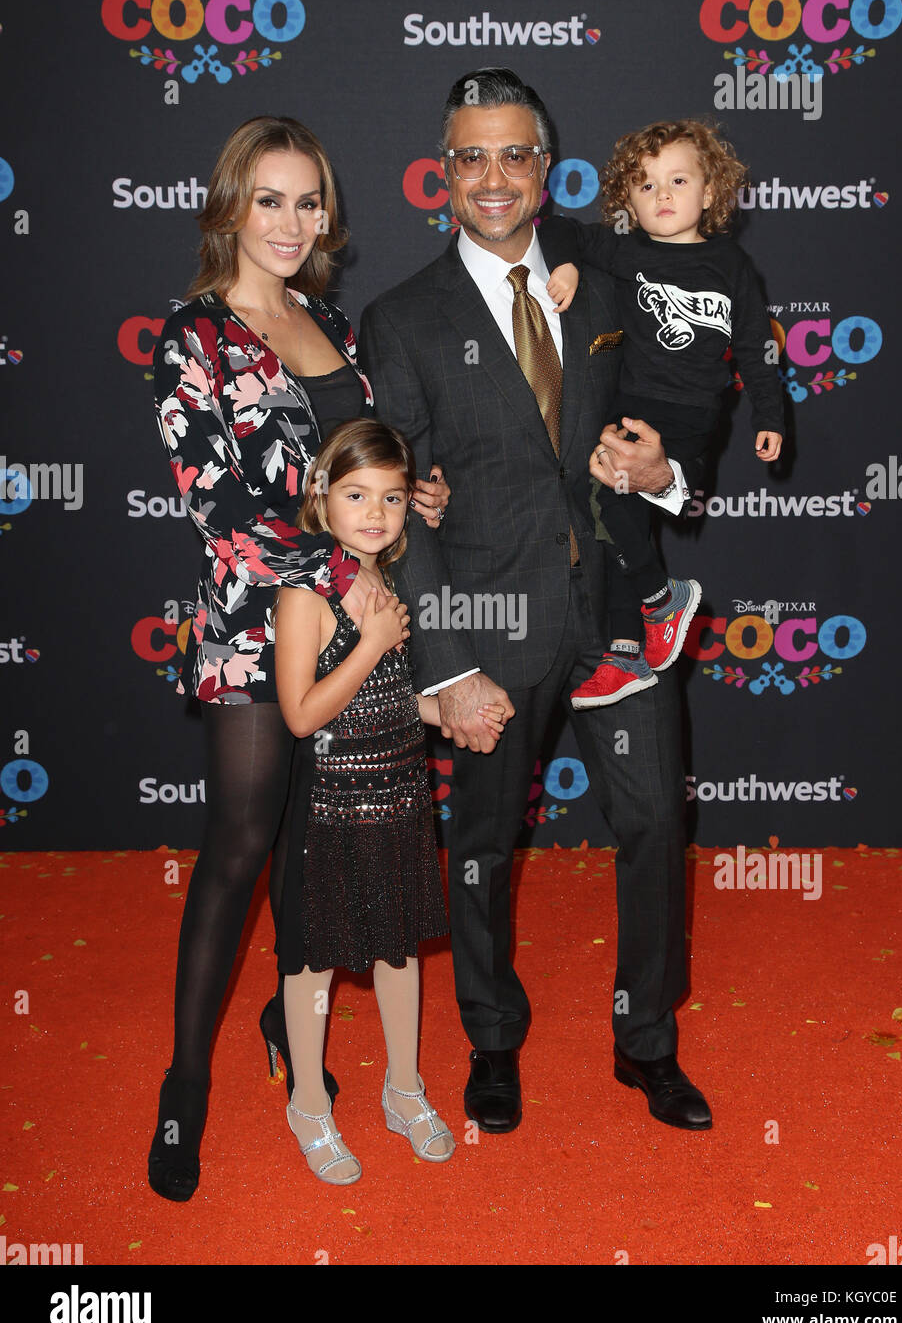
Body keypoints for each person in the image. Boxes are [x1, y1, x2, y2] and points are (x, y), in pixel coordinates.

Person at [359, 69, 711, 1136]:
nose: (495, 177)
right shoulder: (402, 316)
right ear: (444, 171)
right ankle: (491, 1038)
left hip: (614, 611)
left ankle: (644, 1040)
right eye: (472, 156)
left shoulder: (608, 285)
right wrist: (450, 665)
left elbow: (676, 413)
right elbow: (395, 508)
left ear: (545, 165)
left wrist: (664, 476)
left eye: (515, 154)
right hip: (488, 625)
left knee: (653, 822)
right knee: (479, 844)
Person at [148, 116, 449, 1202]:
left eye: (308, 200)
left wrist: (404, 496)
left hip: (354, 624)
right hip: (253, 624)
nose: (291, 220)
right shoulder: (190, 336)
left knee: (312, 850)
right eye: (269, 198)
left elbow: (342, 470)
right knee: (238, 846)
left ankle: (290, 1013)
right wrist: (334, 571)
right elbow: (216, 506)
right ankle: (185, 1086)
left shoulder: (326, 320)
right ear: (231, 205)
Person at [273, 419, 506, 1182]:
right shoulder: (304, 597)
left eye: (393, 498)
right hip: (329, 807)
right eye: (356, 494)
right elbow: (303, 715)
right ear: (321, 498)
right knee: (313, 964)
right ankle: (308, 1099)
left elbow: (391, 698)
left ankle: (402, 1087)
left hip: (400, 792)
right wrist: (371, 642)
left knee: (397, 948)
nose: (375, 513)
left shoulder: (390, 584)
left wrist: (453, 715)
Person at [539, 120, 784, 708]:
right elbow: (558, 226)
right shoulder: (629, 253)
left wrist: (770, 417)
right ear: (629, 202)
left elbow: (754, 347)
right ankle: (626, 652)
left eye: (678, 180)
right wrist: (568, 265)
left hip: (694, 415)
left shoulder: (731, 264)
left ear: (710, 192)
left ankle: (658, 600)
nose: (664, 196)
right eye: (646, 187)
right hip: (637, 405)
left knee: (607, 499)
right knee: (614, 515)